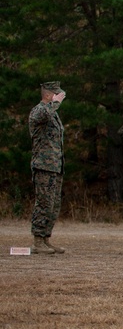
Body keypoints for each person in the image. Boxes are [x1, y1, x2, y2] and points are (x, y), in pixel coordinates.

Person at [29, 81, 67, 255]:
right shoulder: (39, 110)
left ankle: (46, 239)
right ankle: (37, 241)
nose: (60, 97)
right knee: (43, 203)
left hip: (55, 166)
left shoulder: (53, 113)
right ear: (47, 94)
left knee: (53, 205)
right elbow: (42, 115)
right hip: (43, 165)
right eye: (56, 94)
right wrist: (56, 102)